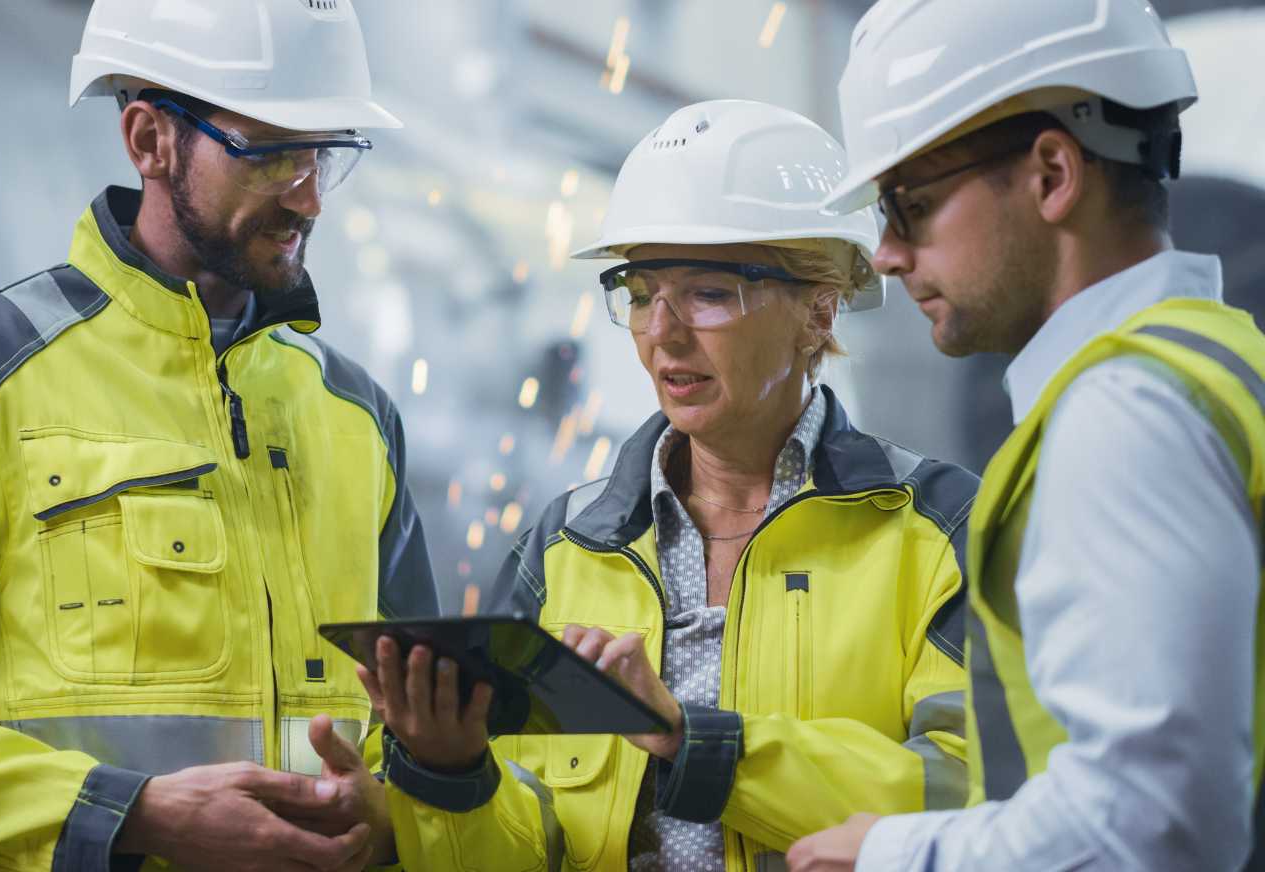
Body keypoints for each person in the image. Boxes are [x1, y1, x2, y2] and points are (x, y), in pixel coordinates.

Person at [0, 0, 437, 868]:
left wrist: (394, 810)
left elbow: (420, 725)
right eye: (269, 153)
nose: (308, 198)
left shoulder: (357, 416)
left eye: (324, 154)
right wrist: (130, 814)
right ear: (149, 139)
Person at [360, 100, 979, 871]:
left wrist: (693, 740)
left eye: (709, 293)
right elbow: (530, 847)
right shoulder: (567, 546)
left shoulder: (938, 532)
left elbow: (969, 800)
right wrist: (451, 774)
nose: (662, 332)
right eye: (643, 290)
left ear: (818, 312)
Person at [787, 1, 1265, 869]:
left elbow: (1156, 821)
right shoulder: (1217, 359)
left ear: (1051, 173)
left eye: (913, 203)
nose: (888, 252)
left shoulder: (1121, 419)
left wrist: (893, 855)